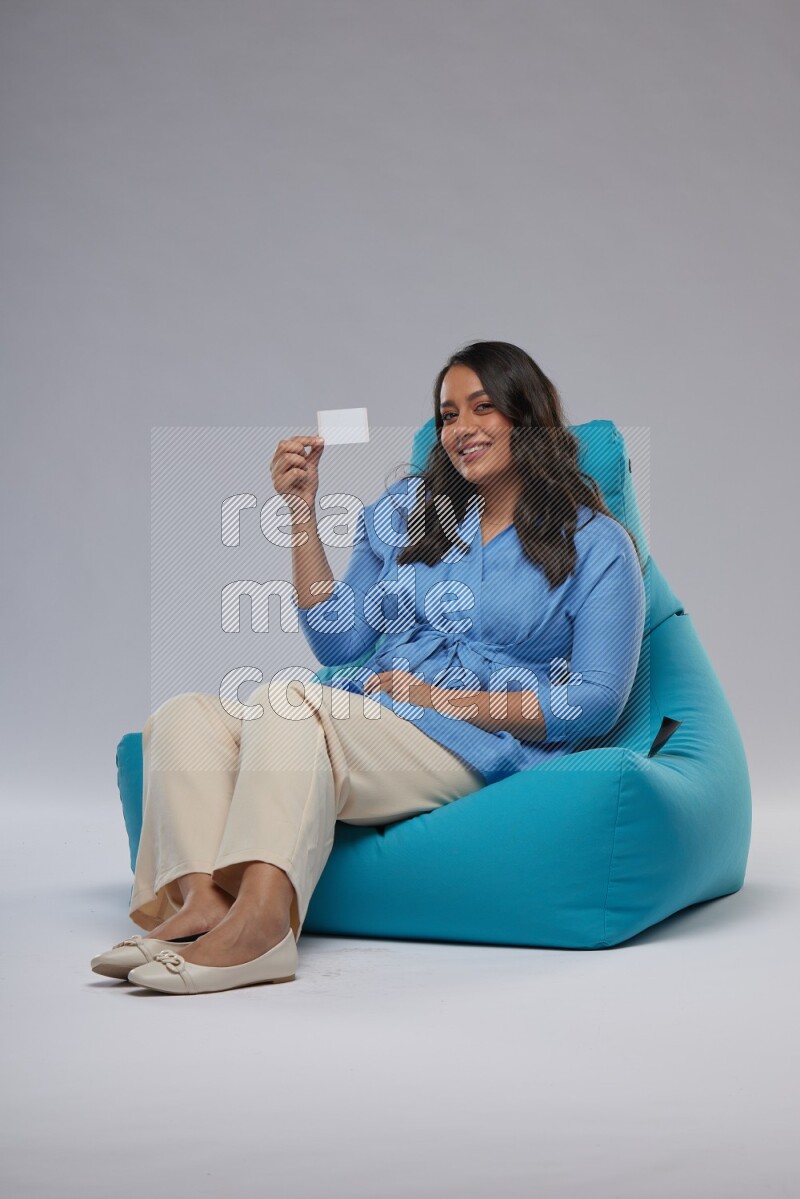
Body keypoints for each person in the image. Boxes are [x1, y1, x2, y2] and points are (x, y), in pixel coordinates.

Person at [90, 340, 646, 994]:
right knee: (184, 717)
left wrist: (440, 700)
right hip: (371, 716)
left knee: (287, 702)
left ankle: (262, 930)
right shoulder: (409, 513)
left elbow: (596, 701)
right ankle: (203, 901)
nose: (461, 429)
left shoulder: (597, 544)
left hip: (473, 741)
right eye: (447, 415)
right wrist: (301, 513)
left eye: (482, 408)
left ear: (526, 418)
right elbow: (337, 638)